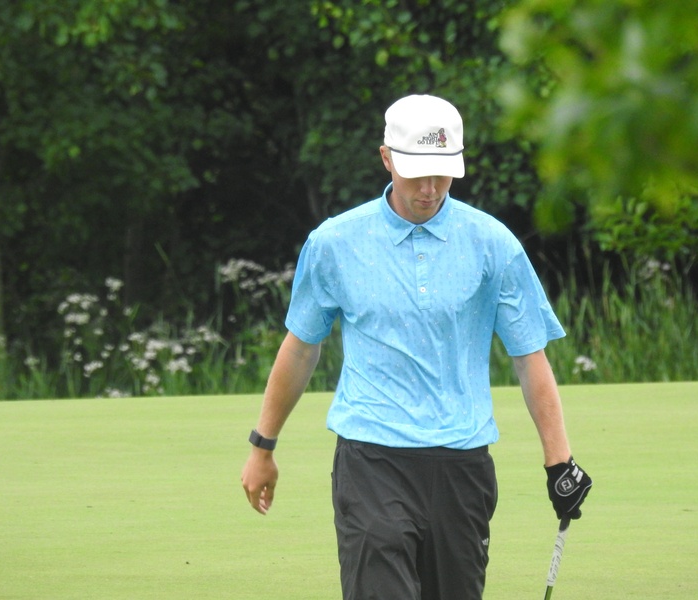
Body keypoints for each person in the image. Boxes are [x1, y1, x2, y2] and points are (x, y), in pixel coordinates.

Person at [241, 94, 592, 600]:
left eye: (442, 174)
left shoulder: (494, 244)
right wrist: (263, 446)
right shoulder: (334, 243)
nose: (430, 189)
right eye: (416, 174)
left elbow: (528, 357)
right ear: (386, 158)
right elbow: (300, 348)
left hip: (462, 464)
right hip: (370, 458)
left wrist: (559, 462)